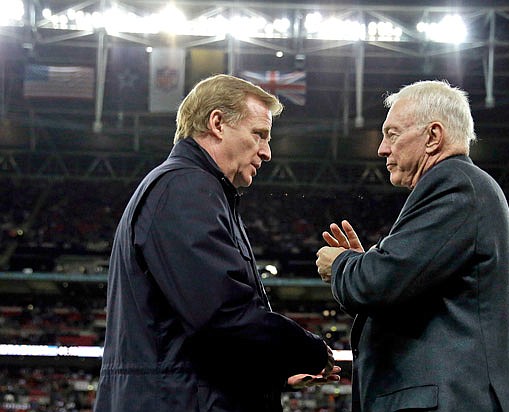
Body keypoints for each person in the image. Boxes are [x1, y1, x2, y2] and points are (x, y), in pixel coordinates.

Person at [95, 74, 339, 412]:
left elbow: (194, 335)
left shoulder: (189, 188)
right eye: (259, 135)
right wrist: (307, 349)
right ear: (217, 123)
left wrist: (271, 371)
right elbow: (222, 316)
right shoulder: (186, 188)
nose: (267, 152)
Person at [316, 80, 509, 411]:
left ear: (432, 137)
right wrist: (361, 266)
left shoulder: (454, 185)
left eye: (392, 134)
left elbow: (379, 282)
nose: (382, 149)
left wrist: (342, 264)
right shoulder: (461, 187)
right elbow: (401, 286)